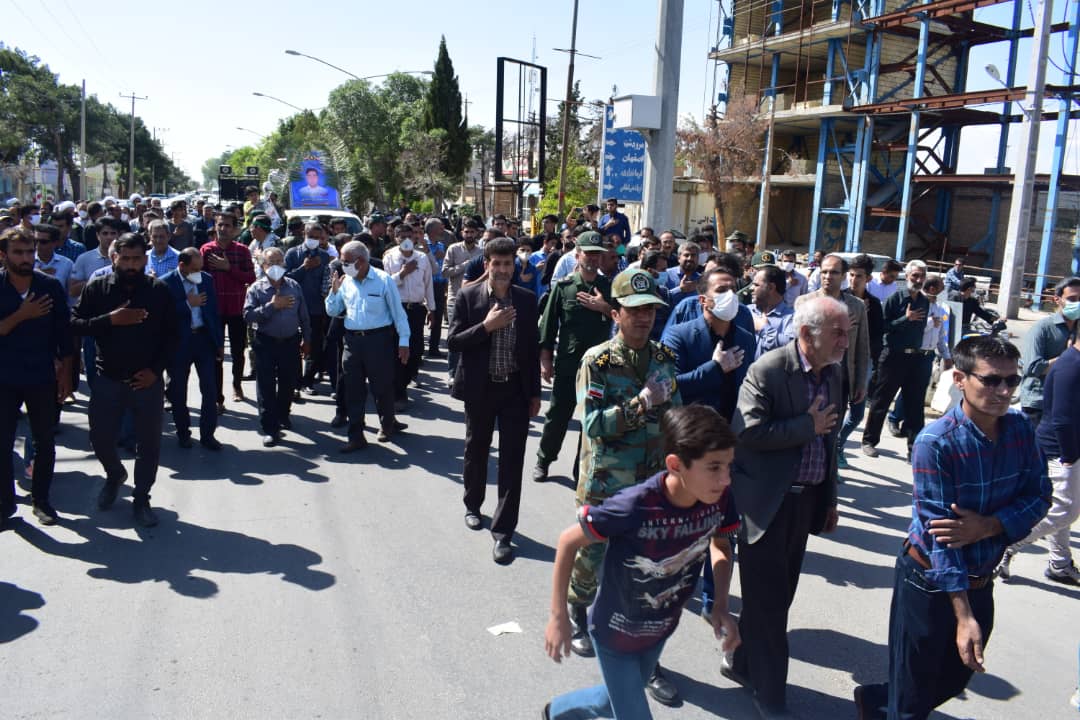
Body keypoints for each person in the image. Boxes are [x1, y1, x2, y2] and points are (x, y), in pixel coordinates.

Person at [854, 336, 1051, 720]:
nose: (1004, 391)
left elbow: (1040, 495)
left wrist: (989, 526)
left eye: (1012, 380)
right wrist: (963, 616)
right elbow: (941, 539)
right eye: (991, 380)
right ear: (960, 379)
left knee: (954, 678)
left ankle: (876, 699)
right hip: (928, 581)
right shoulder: (936, 443)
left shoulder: (1020, 429)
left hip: (981, 578)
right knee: (912, 701)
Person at [543, 405, 741, 720]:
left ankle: (554, 712)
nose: (725, 478)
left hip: (661, 627)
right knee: (632, 710)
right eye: (714, 467)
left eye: (729, 466)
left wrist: (720, 605)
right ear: (676, 465)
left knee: (612, 699)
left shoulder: (718, 497)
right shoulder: (635, 505)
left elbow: (720, 545)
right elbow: (568, 541)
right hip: (615, 631)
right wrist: (558, 617)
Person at [564, 268, 683, 704]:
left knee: (645, 570)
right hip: (606, 481)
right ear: (615, 314)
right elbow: (593, 425)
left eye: (650, 310)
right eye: (634, 310)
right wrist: (641, 402)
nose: (644, 318)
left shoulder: (664, 358)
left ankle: (644, 659)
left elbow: (676, 417)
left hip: (651, 485)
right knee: (593, 556)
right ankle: (579, 612)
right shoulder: (597, 361)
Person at [726, 295, 847, 718]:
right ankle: (770, 692)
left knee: (777, 597)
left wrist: (829, 498)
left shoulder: (834, 372)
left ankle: (742, 661)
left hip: (805, 502)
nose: (845, 341)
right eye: (837, 333)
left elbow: (830, 440)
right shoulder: (769, 369)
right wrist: (805, 426)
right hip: (765, 505)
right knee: (770, 605)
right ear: (807, 334)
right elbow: (747, 432)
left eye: (846, 332)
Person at [72, 233, 178, 528]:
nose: (131, 265)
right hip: (108, 378)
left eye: (137, 259)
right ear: (114, 257)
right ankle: (115, 474)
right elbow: (75, 324)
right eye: (126, 259)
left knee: (149, 444)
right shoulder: (98, 288)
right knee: (100, 438)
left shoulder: (158, 290)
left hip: (147, 381)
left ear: (145, 259)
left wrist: (155, 371)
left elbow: (173, 336)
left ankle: (141, 498)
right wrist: (110, 319)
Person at [447, 237, 541, 564]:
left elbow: (531, 350)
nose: (502, 269)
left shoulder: (526, 300)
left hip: (514, 391)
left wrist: (534, 393)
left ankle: (504, 532)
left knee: (513, 460)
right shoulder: (468, 296)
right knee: (476, 450)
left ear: (514, 265)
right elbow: (454, 341)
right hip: (480, 389)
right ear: (486, 264)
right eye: (496, 263)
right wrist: (486, 327)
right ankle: (472, 505)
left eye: (507, 263)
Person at [0, 228, 74, 527]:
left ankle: (41, 501)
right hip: (4, 378)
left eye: (29, 252)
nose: (26, 258)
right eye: (18, 252)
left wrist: (66, 375)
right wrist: (22, 314)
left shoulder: (49, 286)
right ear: (3, 255)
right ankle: (5, 504)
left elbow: (64, 334)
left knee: (44, 441)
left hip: (41, 376)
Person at [997, 325, 1080, 585]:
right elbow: (1062, 419)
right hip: (1061, 450)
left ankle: (1060, 563)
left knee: (1060, 507)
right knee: (1066, 510)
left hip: (1065, 448)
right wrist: (1070, 457)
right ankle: (1010, 543)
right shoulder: (1071, 366)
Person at [532, 232, 613, 483]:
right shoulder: (564, 287)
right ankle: (544, 459)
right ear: (577, 255)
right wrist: (545, 360)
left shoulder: (609, 288)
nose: (593, 258)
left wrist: (604, 307)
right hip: (569, 364)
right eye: (588, 253)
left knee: (592, 418)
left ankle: (582, 470)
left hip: (599, 367)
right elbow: (548, 326)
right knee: (558, 415)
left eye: (597, 254)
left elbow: (625, 319)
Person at [325, 241, 411, 452]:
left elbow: (398, 314)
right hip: (352, 342)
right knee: (353, 390)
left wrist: (404, 341)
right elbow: (333, 311)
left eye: (346, 262)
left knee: (382, 387)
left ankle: (387, 424)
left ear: (361, 261)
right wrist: (334, 293)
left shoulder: (383, 280)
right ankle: (356, 435)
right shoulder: (346, 282)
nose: (343, 266)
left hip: (378, 340)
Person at [861, 260, 932, 459]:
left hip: (915, 358)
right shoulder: (895, 298)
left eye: (922, 276)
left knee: (915, 405)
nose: (918, 279)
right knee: (881, 401)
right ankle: (869, 441)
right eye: (915, 275)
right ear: (907, 276)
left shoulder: (924, 301)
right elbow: (883, 327)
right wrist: (905, 319)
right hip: (893, 356)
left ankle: (914, 449)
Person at [661, 271, 755, 420]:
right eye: (721, 290)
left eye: (733, 289)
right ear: (703, 300)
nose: (730, 295)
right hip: (694, 426)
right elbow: (669, 386)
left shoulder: (746, 339)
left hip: (736, 427)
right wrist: (715, 368)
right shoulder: (678, 335)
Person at [243, 248, 311, 447]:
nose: (276, 266)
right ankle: (270, 428)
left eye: (279, 261)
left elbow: (304, 316)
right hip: (266, 342)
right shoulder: (256, 289)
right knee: (266, 385)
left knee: (288, 381)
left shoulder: (294, 286)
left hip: (290, 342)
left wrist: (307, 340)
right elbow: (248, 315)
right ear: (263, 266)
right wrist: (272, 306)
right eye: (271, 262)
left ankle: (283, 414)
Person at [794, 253, 871, 429]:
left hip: (840, 379)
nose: (828, 276)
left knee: (832, 430)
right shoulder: (804, 302)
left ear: (843, 276)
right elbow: (797, 342)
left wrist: (860, 382)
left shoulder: (856, 306)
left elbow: (862, 347)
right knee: (805, 426)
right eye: (824, 272)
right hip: (808, 377)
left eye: (834, 272)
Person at [161, 248, 223, 450]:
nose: (198, 273)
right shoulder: (165, 283)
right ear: (182, 266)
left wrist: (218, 343)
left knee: (210, 389)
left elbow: (213, 312)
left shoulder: (206, 279)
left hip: (203, 340)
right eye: (194, 269)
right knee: (178, 391)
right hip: (179, 344)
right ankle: (183, 433)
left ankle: (208, 435)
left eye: (200, 268)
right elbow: (162, 315)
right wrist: (187, 304)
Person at [201, 211, 256, 413]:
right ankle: (218, 397)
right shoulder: (206, 250)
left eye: (227, 225)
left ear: (234, 229)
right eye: (220, 225)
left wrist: (228, 268)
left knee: (237, 352)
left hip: (236, 309)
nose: (223, 229)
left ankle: (237, 385)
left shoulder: (242, 251)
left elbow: (250, 277)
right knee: (215, 354)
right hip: (213, 311)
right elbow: (199, 277)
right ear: (215, 227)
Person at [835, 254, 885, 468]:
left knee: (856, 414)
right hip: (839, 362)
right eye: (852, 275)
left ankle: (839, 443)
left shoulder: (874, 304)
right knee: (836, 413)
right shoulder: (840, 298)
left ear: (869, 279)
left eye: (859, 276)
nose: (854, 280)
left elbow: (877, 336)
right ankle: (833, 452)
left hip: (862, 363)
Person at [383, 222, 435, 411]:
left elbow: (428, 284)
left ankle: (406, 379)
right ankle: (399, 392)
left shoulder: (422, 258)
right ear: (396, 238)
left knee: (416, 350)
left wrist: (432, 309)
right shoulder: (389, 258)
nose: (406, 240)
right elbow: (386, 284)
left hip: (416, 309)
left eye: (409, 236)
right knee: (398, 351)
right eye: (402, 237)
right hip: (397, 309)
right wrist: (403, 273)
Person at [1019, 276, 1080, 428]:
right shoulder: (1043, 328)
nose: (1078, 303)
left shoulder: (1078, 329)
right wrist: (1068, 357)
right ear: (1057, 299)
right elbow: (1032, 368)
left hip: (1069, 403)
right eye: (1072, 299)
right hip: (1040, 404)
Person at [284, 222, 331, 394]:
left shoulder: (324, 257)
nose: (314, 240)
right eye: (311, 237)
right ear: (304, 234)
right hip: (293, 307)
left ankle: (307, 381)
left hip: (316, 308)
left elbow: (326, 283)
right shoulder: (292, 253)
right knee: (293, 346)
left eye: (318, 238)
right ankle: (295, 383)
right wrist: (304, 268)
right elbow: (285, 278)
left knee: (314, 345)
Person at [749, 264, 795, 358]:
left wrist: (764, 329)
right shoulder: (746, 311)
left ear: (771, 287)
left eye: (756, 285)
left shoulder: (791, 318)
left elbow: (792, 348)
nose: (751, 288)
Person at [423, 218, 450, 358]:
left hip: (438, 286)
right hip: (424, 286)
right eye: (440, 228)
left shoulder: (441, 246)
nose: (443, 230)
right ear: (432, 230)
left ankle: (434, 348)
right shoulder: (422, 245)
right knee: (422, 317)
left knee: (438, 317)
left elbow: (443, 267)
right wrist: (433, 255)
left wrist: (445, 285)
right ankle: (419, 349)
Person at [32, 223, 74, 292]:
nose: (38, 245)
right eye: (35, 241)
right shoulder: (27, 262)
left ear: (55, 243)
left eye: (43, 242)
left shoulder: (67, 264)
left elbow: (71, 293)